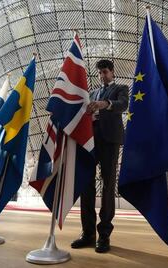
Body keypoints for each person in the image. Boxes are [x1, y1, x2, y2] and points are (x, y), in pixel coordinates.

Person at [71, 59, 129, 253]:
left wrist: (105, 104)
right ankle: (88, 233)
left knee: (107, 184)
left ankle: (104, 234)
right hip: (90, 141)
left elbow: (122, 105)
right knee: (86, 185)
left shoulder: (121, 88)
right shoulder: (92, 93)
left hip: (109, 140)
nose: (102, 75)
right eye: (99, 73)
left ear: (112, 73)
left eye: (105, 72)